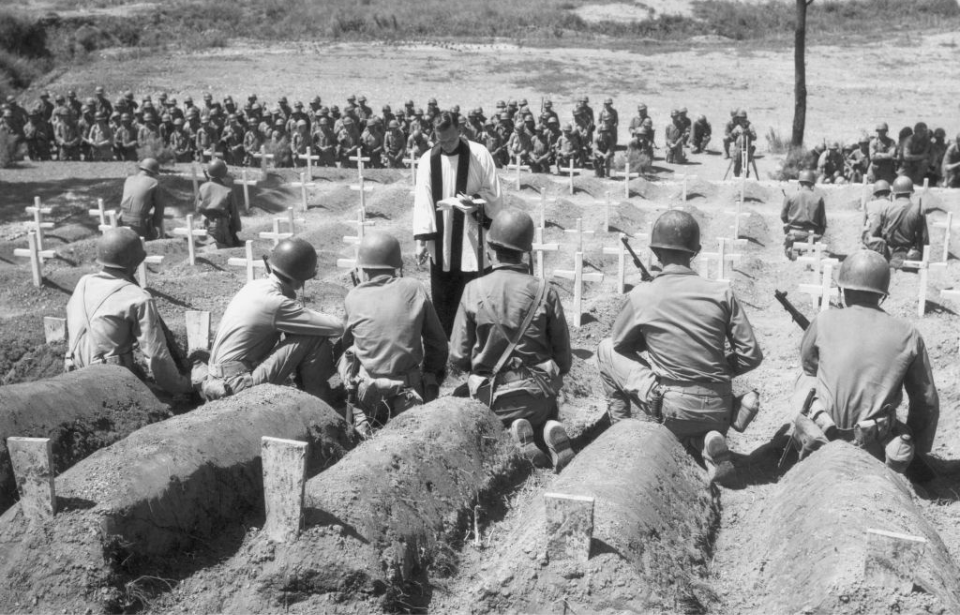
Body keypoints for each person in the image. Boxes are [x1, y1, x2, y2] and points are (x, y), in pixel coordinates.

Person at [595, 210, 763, 486]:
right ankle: (708, 443)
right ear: (695, 251)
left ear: (656, 253)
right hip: (719, 407)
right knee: (696, 426)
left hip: (672, 406)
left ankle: (621, 433)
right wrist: (720, 368)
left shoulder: (643, 294)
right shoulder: (722, 293)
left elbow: (620, 344)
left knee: (604, 349)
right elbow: (751, 355)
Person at [450, 209, 574, 472]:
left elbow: (458, 356)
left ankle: (515, 431)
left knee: (486, 416)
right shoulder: (545, 290)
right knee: (544, 408)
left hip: (494, 398)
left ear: (491, 250)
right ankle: (548, 428)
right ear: (525, 252)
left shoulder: (473, 289)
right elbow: (564, 359)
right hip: (538, 394)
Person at [792, 250, 938, 474]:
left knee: (806, 379)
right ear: (882, 294)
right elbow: (925, 401)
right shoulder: (909, 333)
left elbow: (809, 366)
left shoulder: (823, 320)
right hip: (876, 444)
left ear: (842, 289)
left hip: (826, 434)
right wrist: (918, 446)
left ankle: (804, 436)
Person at [202, 238, 342, 401]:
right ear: (298, 281)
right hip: (236, 384)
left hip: (217, 380)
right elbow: (337, 327)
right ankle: (319, 401)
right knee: (311, 337)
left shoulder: (254, 286)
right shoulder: (275, 303)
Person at [339, 232, 448, 437]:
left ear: (362, 268)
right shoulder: (415, 288)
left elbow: (346, 345)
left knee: (347, 356)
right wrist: (430, 375)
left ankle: (359, 419)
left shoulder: (353, 297)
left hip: (367, 393)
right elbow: (439, 344)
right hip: (408, 392)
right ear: (397, 266)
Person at [65, 228, 192, 395]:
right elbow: (157, 359)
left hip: (73, 376)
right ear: (134, 264)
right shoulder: (138, 298)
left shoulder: (83, 283)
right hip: (110, 384)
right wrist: (184, 386)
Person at [413, 111, 503, 336]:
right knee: (444, 299)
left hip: (472, 238)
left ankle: (476, 343)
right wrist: (422, 241)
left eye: (451, 140)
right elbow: (423, 200)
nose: (446, 145)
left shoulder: (478, 154)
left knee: (475, 294)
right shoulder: (428, 159)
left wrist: (475, 204)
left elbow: (494, 193)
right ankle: (447, 347)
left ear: (460, 131)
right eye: (440, 141)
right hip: (442, 242)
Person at [864, 176, 928, 267]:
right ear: (910, 193)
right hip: (910, 257)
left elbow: (874, 233)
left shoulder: (885, 208)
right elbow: (924, 239)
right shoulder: (918, 210)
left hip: (889, 256)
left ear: (894, 193)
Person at [781, 170, 827, 259]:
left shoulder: (790, 196)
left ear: (799, 184)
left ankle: (793, 249)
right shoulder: (818, 198)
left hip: (794, 234)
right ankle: (804, 249)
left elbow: (783, 216)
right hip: (811, 235)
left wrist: (790, 224)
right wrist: (818, 233)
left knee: (792, 251)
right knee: (809, 248)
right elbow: (823, 223)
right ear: (813, 185)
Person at [197, 159, 242, 249]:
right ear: (223, 174)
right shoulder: (228, 191)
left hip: (203, 228)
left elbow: (198, 207)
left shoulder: (203, 187)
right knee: (231, 245)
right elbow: (234, 215)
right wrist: (235, 229)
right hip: (220, 228)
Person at [119, 158, 167, 240]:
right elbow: (160, 208)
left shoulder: (129, 179)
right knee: (152, 240)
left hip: (122, 221)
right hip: (138, 224)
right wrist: (156, 227)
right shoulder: (154, 183)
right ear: (153, 172)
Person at [861, 179, 891, 246]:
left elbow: (863, 224)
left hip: (872, 239)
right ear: (888, 193)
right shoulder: (892, 205)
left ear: (875, 194)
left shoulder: (869, 204)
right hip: (887, 239)